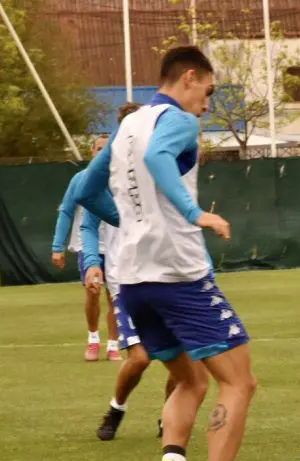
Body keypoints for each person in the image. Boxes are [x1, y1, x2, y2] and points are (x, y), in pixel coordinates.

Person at [74, 45, 261, 461]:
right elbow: (160, 155)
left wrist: (131, 223)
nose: (208, 102)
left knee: (190, 379)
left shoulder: (124, 128)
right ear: (190, 78)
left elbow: (83, 192)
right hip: (178, 275)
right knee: (239, 381)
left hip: (133, 282)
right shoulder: (176, 122)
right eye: (209, 91)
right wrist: (192, 211)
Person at [81, 102, 209, 442]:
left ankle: (168, 418)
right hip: (129, 280)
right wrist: (92, 260)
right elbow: (85, 213)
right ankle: (116, 408)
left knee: (186, 361)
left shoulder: (164, 172)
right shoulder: (109, 178)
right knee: (139, 358)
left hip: (172, 277)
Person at [51, 136, 120, 362]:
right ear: (92, 152)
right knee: (93, 292)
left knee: (116, 297)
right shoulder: (80, 179)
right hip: (88, 246)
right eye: (99, 149)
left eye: (106, 149)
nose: (102, 153)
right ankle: (93, 339)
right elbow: (67, 211)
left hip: (117, 247)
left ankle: (113, 344)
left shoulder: (121, 179)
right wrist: (57, 246)